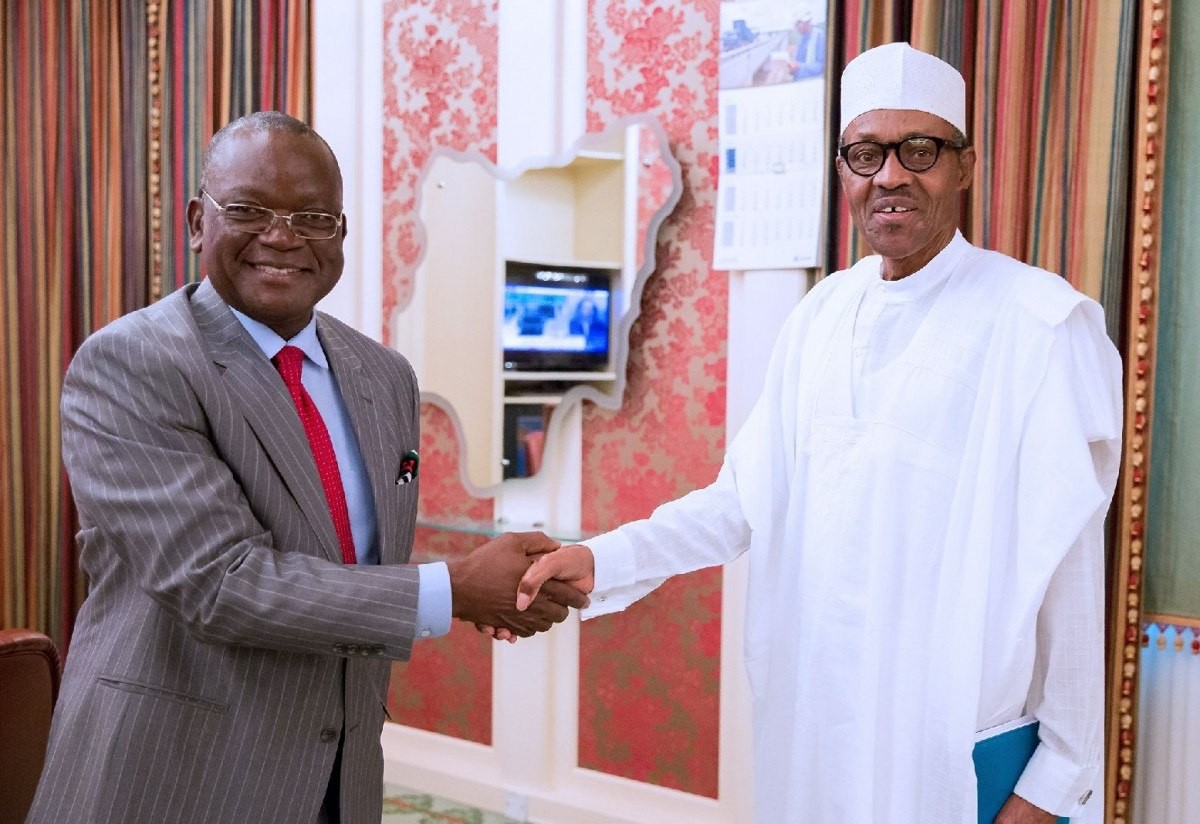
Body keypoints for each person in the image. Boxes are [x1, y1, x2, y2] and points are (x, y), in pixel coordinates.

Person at [512, 43, 1120, 824]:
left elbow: (1069, 574)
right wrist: (600, 558)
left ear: (964, 167)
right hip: (821, 738)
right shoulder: (822, 316)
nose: (890, 176)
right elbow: (740, 504)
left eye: (920, 150)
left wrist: (1052, 784)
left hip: (961, 756)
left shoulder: (1041, 325)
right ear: (844, 171)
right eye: (866, 154)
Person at [28, 111, 586, 824]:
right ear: (199, 221)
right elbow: (219, 581)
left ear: (342, 236)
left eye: (313, 216)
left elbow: (347, 563)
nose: (283, 236)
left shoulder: (383, 375)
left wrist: (496, 587)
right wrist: (456, 591)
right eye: (249, 210)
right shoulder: (134, 362)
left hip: (337, 772)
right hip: (173, 771)